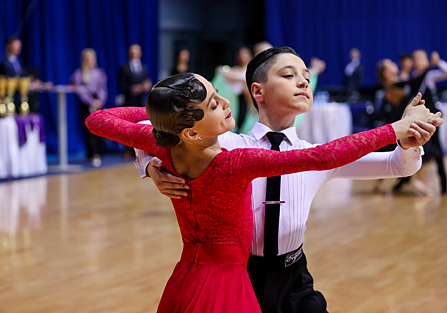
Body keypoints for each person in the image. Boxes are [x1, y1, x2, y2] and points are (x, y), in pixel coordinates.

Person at [134, 47, 443, 312]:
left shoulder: (318, 156)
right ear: (258, 91)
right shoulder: (227, 147)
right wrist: (152, 166)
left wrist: (408, 145)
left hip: (294, 280)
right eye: (288, 75)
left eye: (306, 75)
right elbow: (152, 125)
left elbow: (396, 166)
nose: (303, 81)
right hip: (239, 277)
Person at [392, 50, 447, 194]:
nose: (415, 61)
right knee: (411, 146)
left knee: (436, 150)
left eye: (418, 58)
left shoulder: (429, 75)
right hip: (418, 117)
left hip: (431, 117)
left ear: (426, 61)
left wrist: (438, 62)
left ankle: (444, 182)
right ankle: (405, 179)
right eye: (414, 58)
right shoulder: (414, 77)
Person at [70, 48, 107, 167]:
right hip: (86, 103)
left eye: (91, 58)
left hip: (97, 103)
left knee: (99, 128)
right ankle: (92, 153)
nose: (90, 61)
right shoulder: (79, 73)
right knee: (88, 129)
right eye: (87, 58)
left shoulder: (99, 72)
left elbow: (102, 88)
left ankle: (99, 152)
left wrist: (100, 101)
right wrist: (90, 101)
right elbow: (79, 90)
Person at [119, 44, 152, 159]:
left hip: (140, 102)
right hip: (129, 101)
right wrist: (133, 88)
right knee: (128, 127)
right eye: (132, 51)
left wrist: (145, 86)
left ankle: (139, 149)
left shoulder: (144, 67)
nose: (134, 54)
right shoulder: (124, 68)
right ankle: (128, 150)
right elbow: (122, 84)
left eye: (136, 51)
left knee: (140, 126)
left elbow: (146, 82)